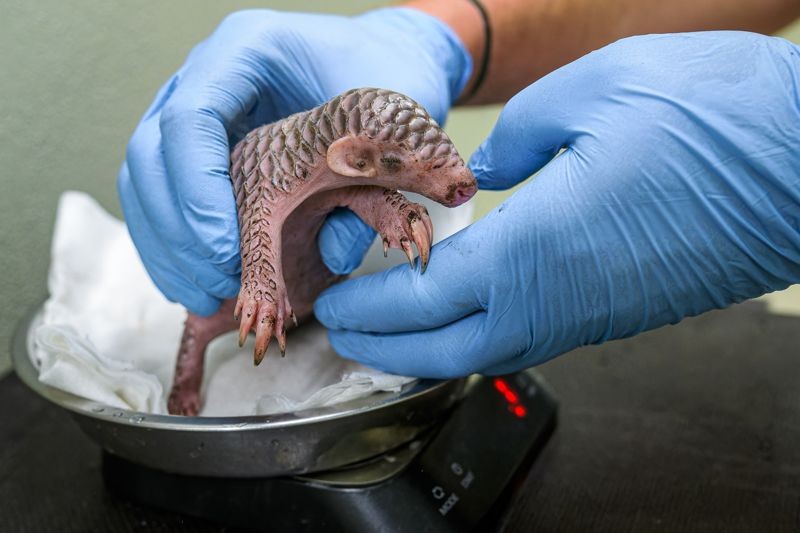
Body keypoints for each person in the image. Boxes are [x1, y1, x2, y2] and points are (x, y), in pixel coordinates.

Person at [119, 0, 800, 377]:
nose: (454, 184)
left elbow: (360, 190)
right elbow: (268, 212)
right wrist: (451, 31)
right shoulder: (285, 161)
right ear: (350, 155)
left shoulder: (359, 164)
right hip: (262, 278)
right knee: (210, 315)